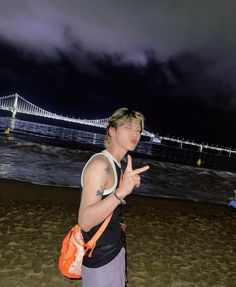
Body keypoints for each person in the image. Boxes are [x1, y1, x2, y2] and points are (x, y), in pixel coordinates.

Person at [78, 107, 149, 287]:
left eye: (138, 130)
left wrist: (115, 223)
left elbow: (105, 204)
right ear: (112, 130)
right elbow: (85, 221)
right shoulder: (100, 165)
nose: (135, 133)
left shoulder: (116, 164)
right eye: (128, 127)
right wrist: (120, 193)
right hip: (100, 258)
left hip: (114, 250)